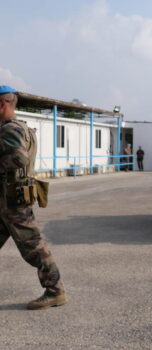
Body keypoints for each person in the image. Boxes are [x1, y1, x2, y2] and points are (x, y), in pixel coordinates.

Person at [0, 85, 67, 310]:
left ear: (2, 105)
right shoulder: (21, 127)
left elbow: (18, 158)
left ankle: (55, 291)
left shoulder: (9, 129)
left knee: (33, 246)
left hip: (12, 200)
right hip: (8, 198)